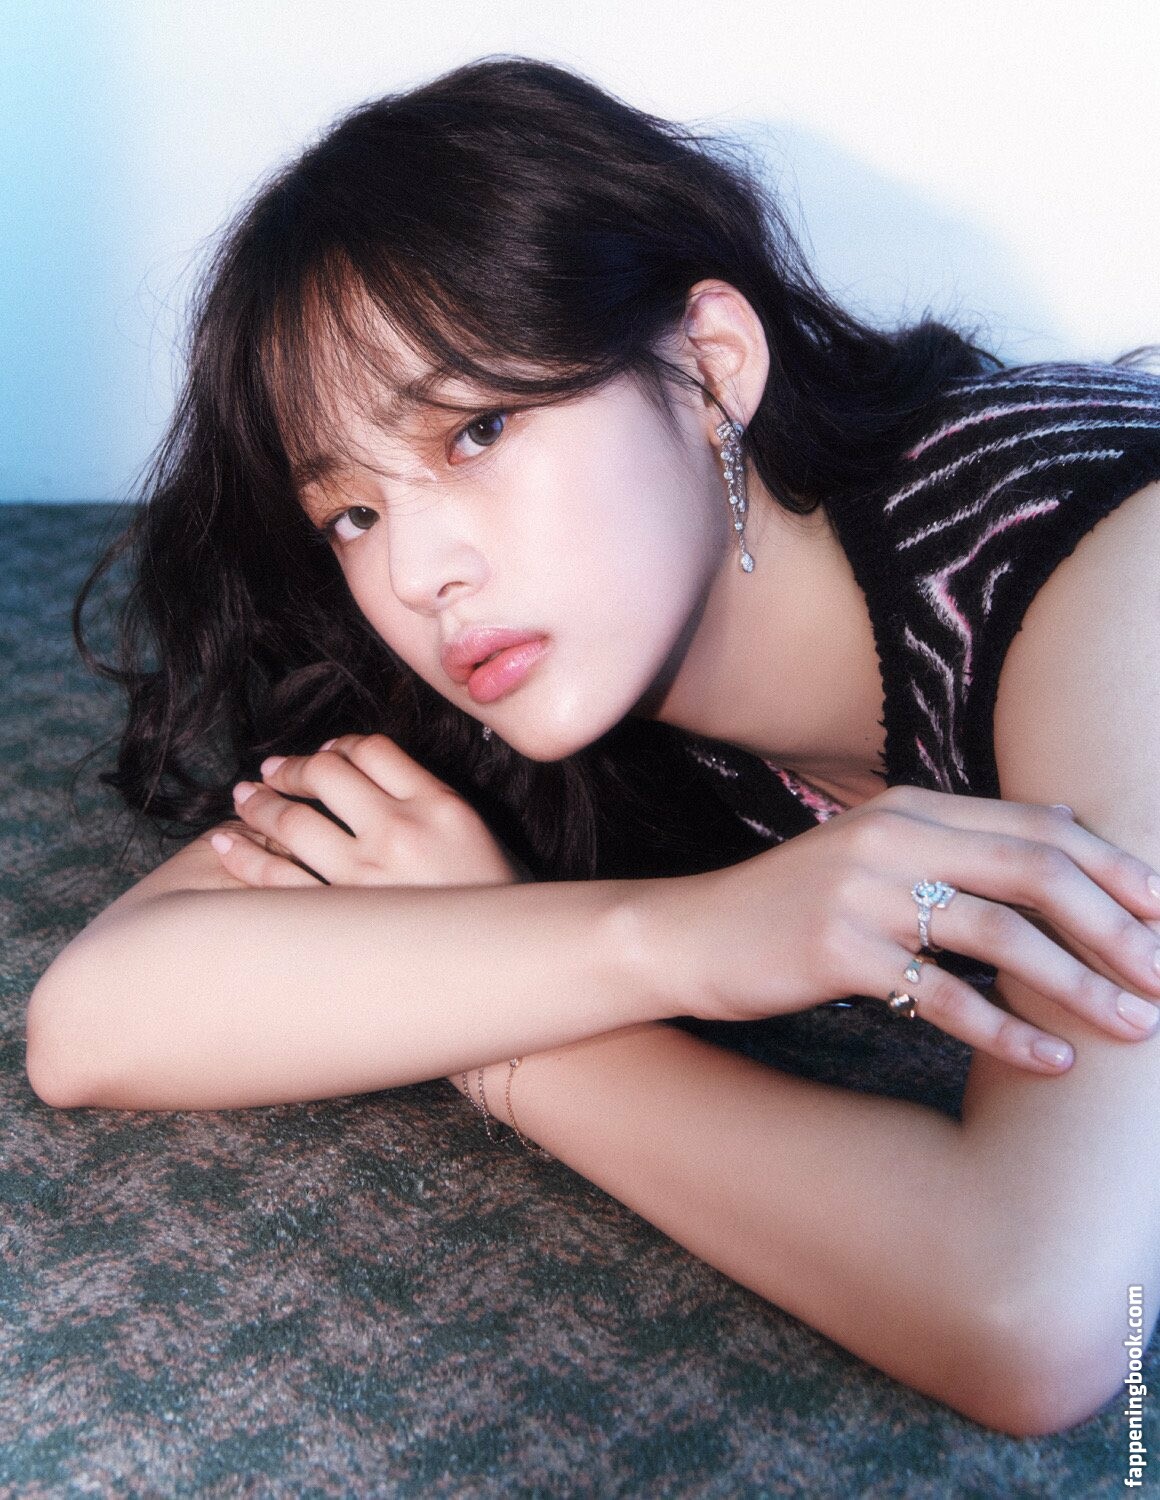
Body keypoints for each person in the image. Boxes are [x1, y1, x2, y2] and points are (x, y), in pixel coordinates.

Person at [25, 57, 1160, 1435]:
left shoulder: (1107, 571)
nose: (417, 573)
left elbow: (1037, 1313)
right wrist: (667, 941)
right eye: (351, 515)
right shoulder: (535, 672)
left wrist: (507, 1020)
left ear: (710, 367)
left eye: (478, 429)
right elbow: (93, 1022)